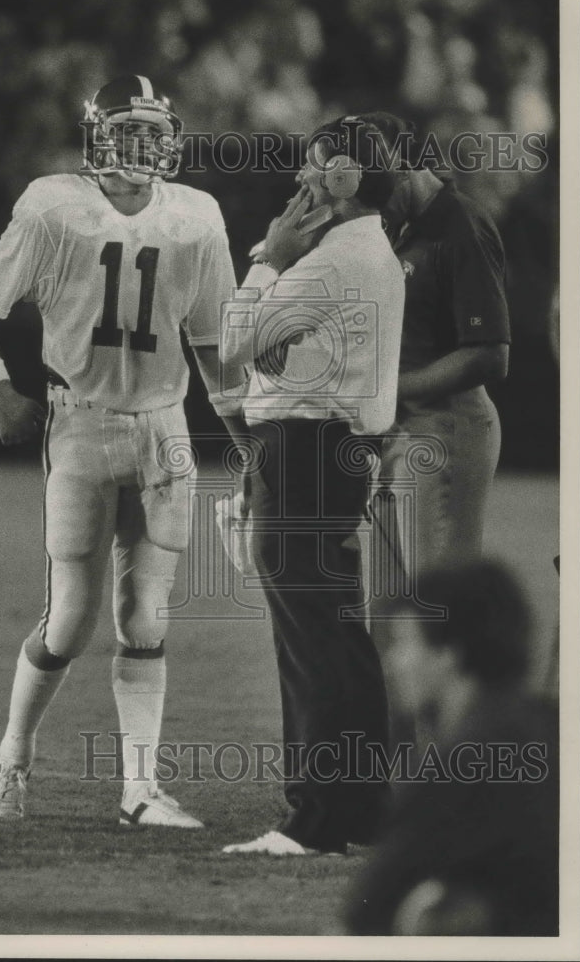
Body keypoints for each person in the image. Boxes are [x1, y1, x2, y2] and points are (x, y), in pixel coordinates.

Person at [0, 75, 237, 828]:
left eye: (152, 131)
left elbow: (212, 349)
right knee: (71, 619)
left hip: (166, 425)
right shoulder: (54, 207)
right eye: (127, 130)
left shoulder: (198, 217)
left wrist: (253, 449)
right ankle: (12, 757)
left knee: (146, 612)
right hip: (80, 422)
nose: (142, 146)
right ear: (96, 136)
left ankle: (139, 789)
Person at [217, 116, 405, 855]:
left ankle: (315, 818)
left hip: (302, 450)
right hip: (337, 448)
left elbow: (236, 346)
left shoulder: (331, 259)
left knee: (308, 640)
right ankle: (361, 809)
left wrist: (269, 257)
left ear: (345, 179)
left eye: (314, 165)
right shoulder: (372, 251)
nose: (301, 179)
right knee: (337, 635)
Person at [345, 559, 559, 936]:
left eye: (404, 643)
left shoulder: (457, 766)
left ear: (448, 653)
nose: (393, 663)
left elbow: (364, 914)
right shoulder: (554, 728)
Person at [358, 112, 510, 576]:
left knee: (435, 605)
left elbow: (490, 353)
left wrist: (391, 390)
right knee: (385, 613)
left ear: (405, 166)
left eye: (378, 188)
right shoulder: (404, 224)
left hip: (446, 425)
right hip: (399, 427)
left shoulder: (460, 223)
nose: (371, 206)